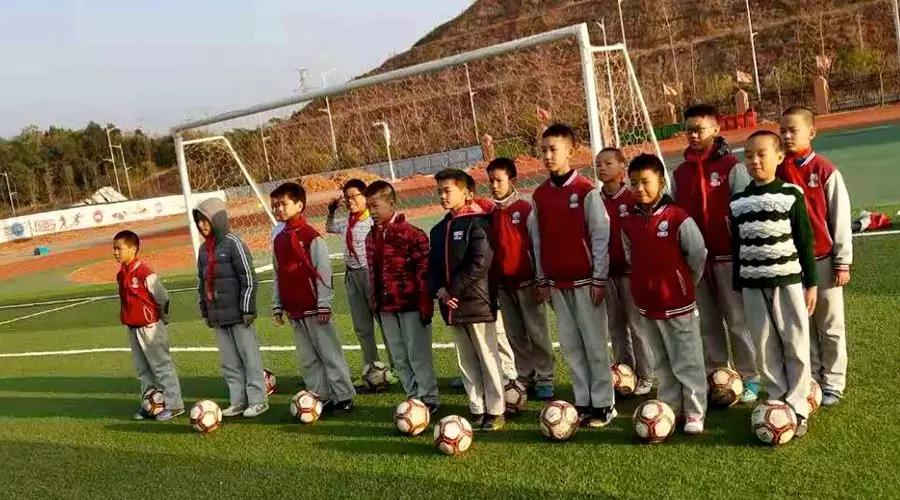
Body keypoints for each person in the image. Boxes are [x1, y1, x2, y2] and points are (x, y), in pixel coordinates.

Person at [528, 123, 616, 428]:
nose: (547, 155)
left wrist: (599, 278)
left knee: (595, 346)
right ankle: (583, 401)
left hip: (586, 283)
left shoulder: (585, 191)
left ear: (571, 151)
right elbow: (537, 240)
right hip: (556, 283)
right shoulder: (539, 195)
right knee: (571, 347)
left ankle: (604, 404)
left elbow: (600, 236)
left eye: (554, 149)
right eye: (543, 150)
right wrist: (542, 278)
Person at [731, 130, 818, 437]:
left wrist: (811, 283)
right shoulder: (738, 202)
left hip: (788, 281)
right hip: (752, 285)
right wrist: (739, 283)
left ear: (779, 157)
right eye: (749, 155)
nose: (754, 161)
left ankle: (798, 405)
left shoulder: (791, 194)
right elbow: (737, 246)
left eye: (761, 154)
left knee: (795, 342)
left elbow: (804, 242)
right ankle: (777, 398)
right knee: (765, 344)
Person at [672, 104, 759, 402]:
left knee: (737, 321)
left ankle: (750, 376)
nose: (694, 135)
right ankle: (717, 375)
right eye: (689, 130)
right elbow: (676, 217)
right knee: (708, 323)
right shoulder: (680, 173)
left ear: (716, 129)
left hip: (728, 259)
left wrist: (744, 253)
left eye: (699, 129)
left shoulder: (732, 167)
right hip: (697, 262)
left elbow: (745, 213)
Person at [622, 154, 708, 434]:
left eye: (645, 182)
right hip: (647, 305)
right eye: (633, 183)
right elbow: (631, 257)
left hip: (678, 303)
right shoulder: (629, 222)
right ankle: (670, 407)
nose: (639, 188)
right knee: (661, 360)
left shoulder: (677, 217)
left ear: (661, 182)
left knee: (687, 360)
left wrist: (684, 284)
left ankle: (694, 412)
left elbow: (697, 253)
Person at [777, 106, 852, 407]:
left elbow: (840, 218)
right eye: (782, 131)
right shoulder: (777, 171)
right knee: (801, 326)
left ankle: (834, 382)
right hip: (791, 264)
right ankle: (812, 379)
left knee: (830, 326)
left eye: (792, 130)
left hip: (823, 261)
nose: (786, 136)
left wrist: (842, 260)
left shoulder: (824, 170)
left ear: (811, 132)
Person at [428, 168, 505, 431]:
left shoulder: (479, 223)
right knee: (466, 359)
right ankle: (477, 407)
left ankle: (496, 409)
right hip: (450, 305)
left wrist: (453, 290)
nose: (442, 196)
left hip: (476, 302)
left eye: (447, 190)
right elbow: (432, 268)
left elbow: (480, 262)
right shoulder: (438, 230)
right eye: (439, 191)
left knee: (487, 356)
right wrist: (439, 290)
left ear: (467, 193)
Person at [270, 182, 355, 414]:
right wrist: (278, 305)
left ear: (299, 205)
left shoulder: (311, 237)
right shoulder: (278, 240)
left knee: (329, 354)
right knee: (307, 358)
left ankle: (344, 395)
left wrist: (324, 304)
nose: (278, 209)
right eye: (275, 205)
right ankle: (320, 395)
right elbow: (278, 274)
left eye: (283, 204)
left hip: (315, 309)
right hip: (294, 310)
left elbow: (323, 272)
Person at [364, 180, 439, 413]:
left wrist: (425, 305)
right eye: (368, 207)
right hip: (386, 307)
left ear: (391, 204)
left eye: (375, 206)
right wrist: (375, 300)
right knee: (399, 356)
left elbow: (424, 273)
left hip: (411, 306)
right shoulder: (370, 237)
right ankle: (413, 397)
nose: (371, 212)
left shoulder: (412, 234)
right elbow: (372, 272)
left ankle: (429, 398)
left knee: (418, 354)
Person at [485, 157, 555, 400]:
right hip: (504, 286)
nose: (494, 185)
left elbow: (538, 246)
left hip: (528, 283)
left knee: (537, 332)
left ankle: (545, 377)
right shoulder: (491, 214)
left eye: (499, 180)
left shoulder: (525, 210)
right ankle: (525, 375)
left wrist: (540, 279)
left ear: (512, 180)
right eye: (490, 181)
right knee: (515, 335)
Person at [194, 197, 268, 418]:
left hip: (239, 315)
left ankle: (258, 400)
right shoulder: (203, 250)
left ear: (217, 220)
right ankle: (238, 401)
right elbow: (202, 283)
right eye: (198, 221)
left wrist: (247, 309)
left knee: (249, 358)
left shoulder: (233, 243)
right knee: (229, 362)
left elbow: (249, 278)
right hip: (218, 316)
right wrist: (205, 311)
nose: (201, 225)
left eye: (205, 220)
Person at [327, 178, 397, 389]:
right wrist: (331, 210)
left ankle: (396, 367)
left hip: (371, 275)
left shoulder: (371, 221)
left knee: (384, 323)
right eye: (346, 198)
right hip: (352, 276)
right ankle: (371, 368)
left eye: (354, 196)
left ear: (365, 197)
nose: (350, 201)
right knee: (362, 327)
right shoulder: (347, 222)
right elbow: (329, 227)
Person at [596, 147, 654, 396]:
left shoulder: (632, 198)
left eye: (608, 163)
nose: (602, 168)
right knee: (616, 327)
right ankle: (625, 374)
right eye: (598, 164)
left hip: (631, 273)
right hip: (608, 273)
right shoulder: (594, 200)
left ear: (622, 166)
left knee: (638, 326)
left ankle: (646, 375)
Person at [114, 230, 184, 421]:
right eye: (114, 249)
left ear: (133, 249)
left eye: (119, 248)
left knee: (161, 366)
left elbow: (162, 297)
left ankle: (175, 405)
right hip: (133, 327)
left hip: (150, 326)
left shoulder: (144, 272)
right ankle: (149, 405)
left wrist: (162, 318)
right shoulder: (121, 274)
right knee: (143, 370)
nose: (116, 252)